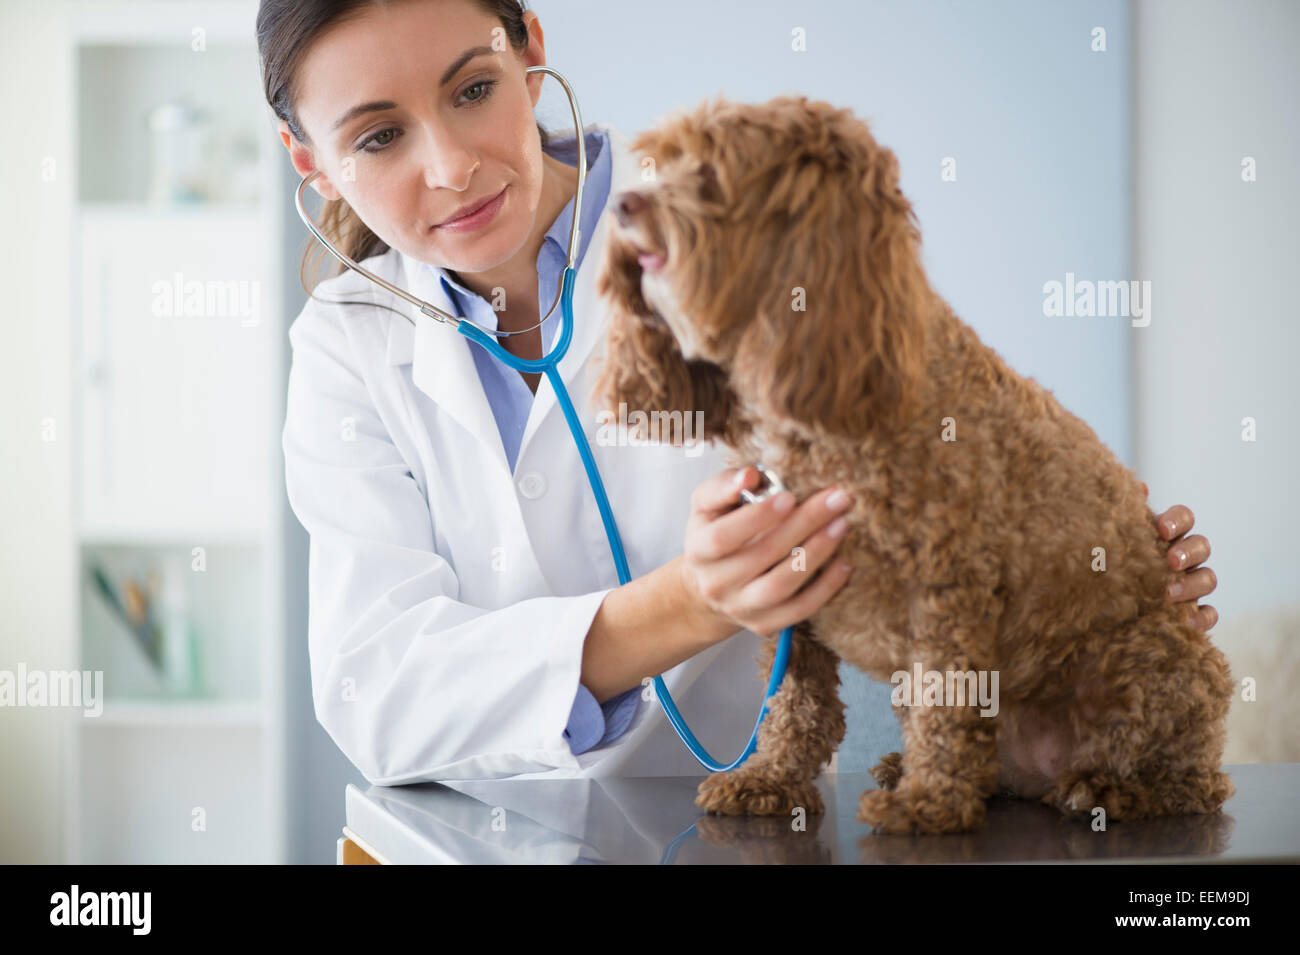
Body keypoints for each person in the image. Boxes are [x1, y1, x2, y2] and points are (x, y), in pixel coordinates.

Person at [259, 0, 1219, 785]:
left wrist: (1086, 581)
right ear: (310, 162)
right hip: (474, 833)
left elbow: (934, 452)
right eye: (379, 137)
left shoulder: (733, 219)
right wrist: (693, 602)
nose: (451, 165)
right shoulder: (347, 342)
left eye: (473, 89)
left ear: (530, 48)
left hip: (757, 821)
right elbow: (374, 693)